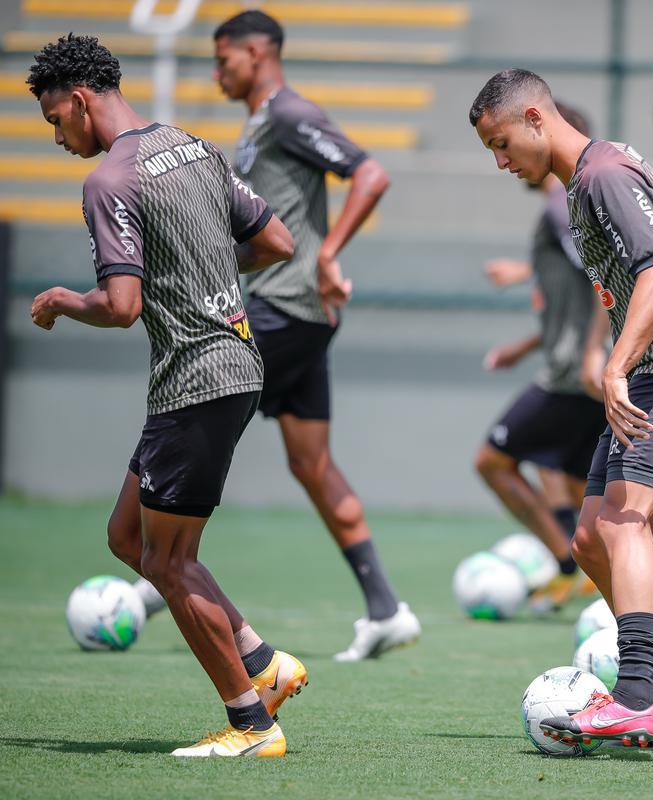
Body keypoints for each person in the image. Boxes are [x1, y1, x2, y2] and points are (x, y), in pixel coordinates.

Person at [27, 33, 303, 756]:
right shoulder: (195, 147)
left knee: (168, 563)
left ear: (81, 102)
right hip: (232, 363)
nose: (59, 138)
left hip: (196, 377)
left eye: (57, 121)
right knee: (127, 537)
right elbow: (278, 242)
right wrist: (204, 262)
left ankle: (251, 724)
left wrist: (62, 299)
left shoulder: (109, 181)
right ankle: (264, 664)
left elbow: (121, 306)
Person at [470, 68, 653, 748]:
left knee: (624, 527)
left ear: (534, 117)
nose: (501, 162)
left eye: (501, 144)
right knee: (591, 541)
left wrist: (615, 364)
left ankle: (637, 700)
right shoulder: (599, 171)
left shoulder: (601, 175)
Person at [211, 10, 418, 661]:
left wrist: (329, 254)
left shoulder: (289, 113)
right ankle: (385, 609)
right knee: (310, 463)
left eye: (223, 59)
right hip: (291, 307)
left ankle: (160, 578)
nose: (217, 72)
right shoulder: (258, 123)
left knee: (197, 421)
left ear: (255, 50)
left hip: (287, 309)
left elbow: (371, 173)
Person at [474, 101, 608, 609]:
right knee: (582, 488)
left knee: (493, 461)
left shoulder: (561, 205)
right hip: (582, 368)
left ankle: (565, 562)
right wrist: (525, 345)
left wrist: (596, 353)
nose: (504, 163)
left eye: (503, 146)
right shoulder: (571, 202)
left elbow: (602, 278)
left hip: (574, 376)